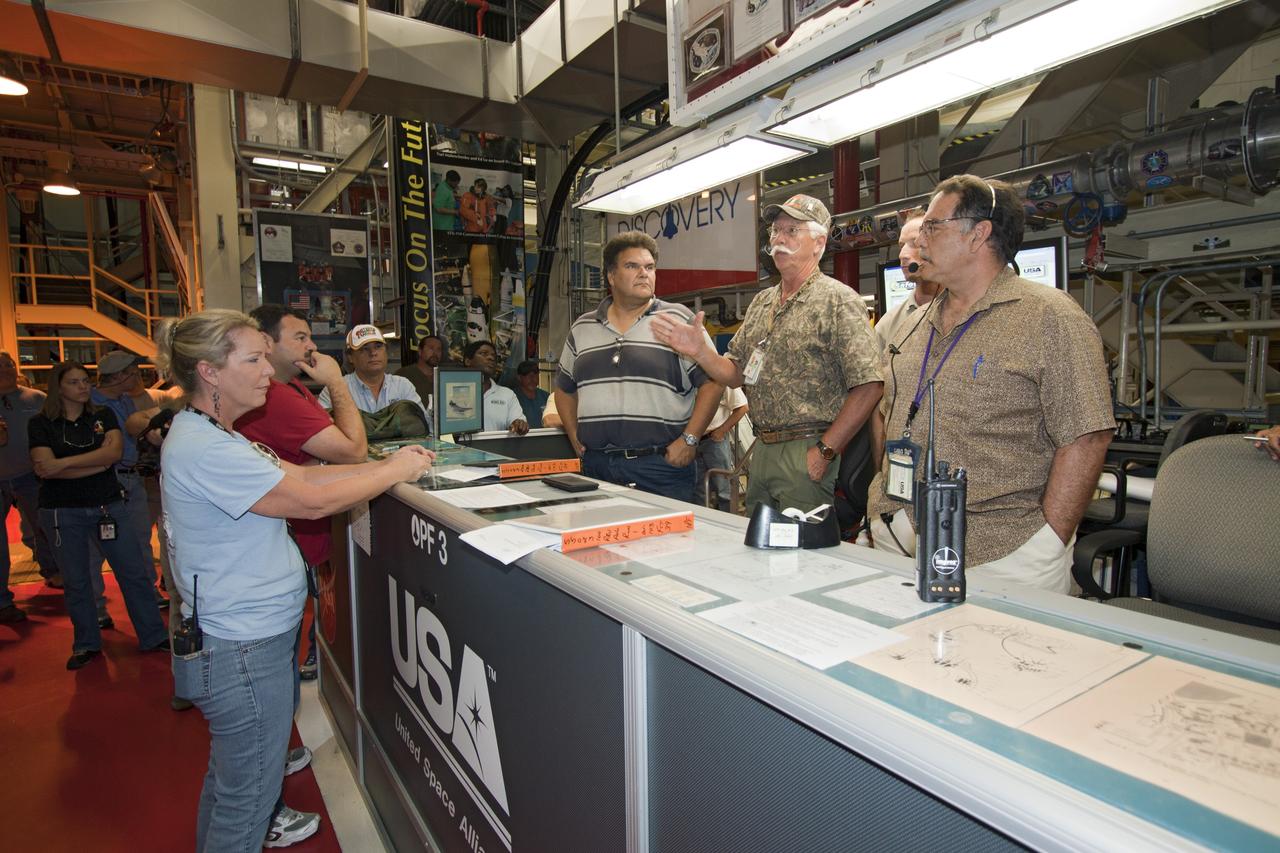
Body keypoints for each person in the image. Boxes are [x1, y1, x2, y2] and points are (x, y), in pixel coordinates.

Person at [158, 309, 434, 851]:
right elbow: (310, 500)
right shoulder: (208, 447)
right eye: (254, 359)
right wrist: (394, 469)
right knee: (249, 800)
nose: (269, 370)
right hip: (241, 644)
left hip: (241, 637)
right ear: (210, 372)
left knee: (232, 782)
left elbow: (304, 474)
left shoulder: (217, 433)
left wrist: (385, 466)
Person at [865, 175, 1114, 593]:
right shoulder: (915, 324)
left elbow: (1087, 436)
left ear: (978, 233)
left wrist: (1050, 538)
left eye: (932, 226)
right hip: (901, 534)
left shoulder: (1049, 317)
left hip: (1002, 552)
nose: (918, 241)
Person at [652, 194, 882, 515]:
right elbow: (734, 373)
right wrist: (701, 352)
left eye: (792, 231)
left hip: (808, 447)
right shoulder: (762, 302)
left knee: (803, 555)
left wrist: (825, 451)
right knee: (761, 552)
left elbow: (870, 384)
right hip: (764, 449)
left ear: (818, 243)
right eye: (775, 231)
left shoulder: (838, 301)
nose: (779, 239)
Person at [238, 304, 369, 682]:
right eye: (300, 338)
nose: (311, 346)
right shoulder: (276, 398)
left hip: (295, 538)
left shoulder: (291, 388)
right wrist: (338, 382)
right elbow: (353, 450)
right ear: (266, 342)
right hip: (288, 538)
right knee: (280, 650)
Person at [556, 231, 722, 503]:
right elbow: (564, 389)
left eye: (650, 267)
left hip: (661, 468)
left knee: (667, 545)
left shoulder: (678, 320)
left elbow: (714, 381)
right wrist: (574, 436)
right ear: (611, 276)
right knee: (602, 543)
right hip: (598, 467)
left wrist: (690, 439)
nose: (644, 273)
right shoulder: (582, 328)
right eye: (632, 266)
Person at [28, 361, 169, 669]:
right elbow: (43, 468)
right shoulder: (41, 424)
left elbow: (113, 455)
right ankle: (87, 643)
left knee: (133, 572)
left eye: (85, 381)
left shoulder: (102, 416)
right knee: (78, 580)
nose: (83, 387)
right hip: (62, 511)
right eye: (74, 382)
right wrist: (94, 462)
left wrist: (62, 464)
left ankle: (153, 635)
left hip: (108, 505)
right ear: (58, 388)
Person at [91, 350, 165, 620]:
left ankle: (147, 595)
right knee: (97, 546)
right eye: (133, 372)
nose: (137, 377)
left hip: (131, 478)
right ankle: (96, 607)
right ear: (121, 376)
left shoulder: (125, 402)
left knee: (140, 540)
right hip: (106, 479)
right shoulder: (92, 405)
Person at [0, 351, 60, 620]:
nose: (4, 369)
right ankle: (2, 600)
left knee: (44, 525)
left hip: (31, 475)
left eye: (8, 364)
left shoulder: (35, 399)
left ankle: (53, 570)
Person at [318, 324, 427, 417]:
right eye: (364, 348)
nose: (373, 353)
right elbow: (322, 432)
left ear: (386, 352)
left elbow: (422, 427)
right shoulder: (334, 389)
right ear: (350, 357)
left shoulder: (403, 386)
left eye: (378, 346)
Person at [874, 213, 939, 358]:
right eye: (902, 245)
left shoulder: (967, 310)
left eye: (914, 243)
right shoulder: (888, 324)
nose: (902, 254)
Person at [697, 386, 749, 511]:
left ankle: (729, 524)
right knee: (698, 491)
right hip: (693, 441)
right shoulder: (691, 377)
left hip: (714, 441)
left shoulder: (722, 379)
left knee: (724, 490)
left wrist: (721, 431)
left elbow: (743, 407)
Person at [464, 340, 528, 434]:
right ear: (468, 361)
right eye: (483, 353)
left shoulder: (507, 395)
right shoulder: (451, 391)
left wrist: (519, 424)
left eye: (493, 356)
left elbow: (517, 421)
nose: (491, 358)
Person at [395, 334, 444, 411]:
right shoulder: (403, 375)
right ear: (420, 351)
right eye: (431, 348)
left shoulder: (444, 376)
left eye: (439, 349)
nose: (435, 353)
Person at [512, 359, 549, 428]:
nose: (532, 378)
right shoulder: (511, 397)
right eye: (527, 375)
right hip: (521, 437)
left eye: (535, 374)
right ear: (519, 377)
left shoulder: (546, 397)